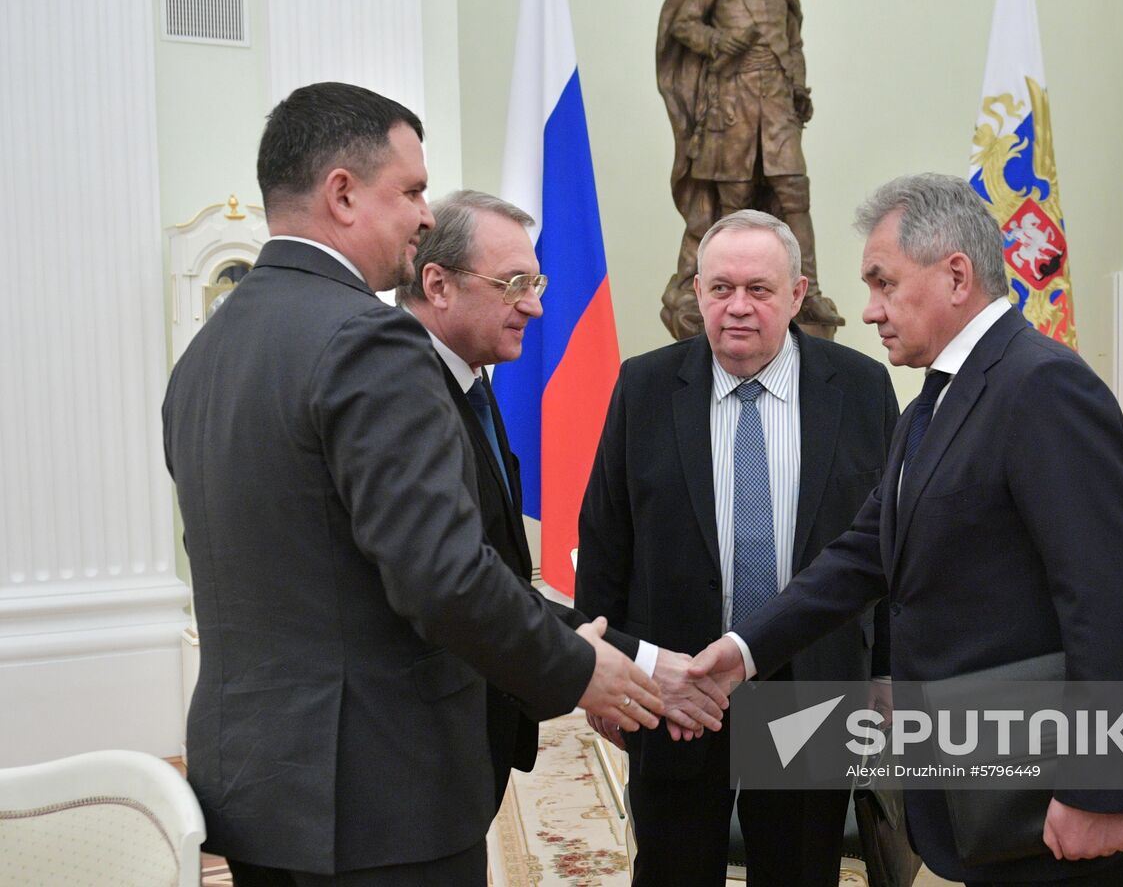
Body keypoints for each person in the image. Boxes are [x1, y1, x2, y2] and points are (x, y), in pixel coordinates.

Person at [162, 82, 662, 887]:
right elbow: (443, 576)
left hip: (253, 790)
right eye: (414, 190)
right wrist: (576, 668)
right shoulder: (370, 339)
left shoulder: (206, 354)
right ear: (343, 194)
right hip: (379, 797)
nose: (427, 216)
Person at [692, 174, 1123, 886]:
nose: (869, 310)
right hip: (979, 778)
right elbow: (862, 555)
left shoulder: (1042, 387)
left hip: (1052, 792)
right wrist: (742, 650)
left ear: (955, 275)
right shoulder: (929, 407)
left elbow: (1106, 598)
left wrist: (1095, 786)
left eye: (883, 283)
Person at [577, 210, 898, 886]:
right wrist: (602, 673)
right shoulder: (644, 386)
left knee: (800, 871)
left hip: (810, 685)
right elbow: (605, 540)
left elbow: (891, 547)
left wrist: (888, 670)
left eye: (759, 289)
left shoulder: (862, 390)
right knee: (673, 870)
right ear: (697, 294)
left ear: (797, 295)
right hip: (679, 685)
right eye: (721, 288)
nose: (739, 307)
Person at [396, 189, 727, 808]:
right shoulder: (408, 394)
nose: (536, 306)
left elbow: (497, 568)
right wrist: (631, 666)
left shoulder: (472, 381)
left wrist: (632, 662)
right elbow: (464, 582)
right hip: (416, 744)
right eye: (514, 282)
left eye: (538, 281)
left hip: (465, 730)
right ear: (437, 284)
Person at [656, 0, 843, 340]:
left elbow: (793, 44)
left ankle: (808, 289)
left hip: (777, 102)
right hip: (732, 101)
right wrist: (721, 42)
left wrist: (798, 88)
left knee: (794, 193)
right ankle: (720, 289)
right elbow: (682, 25)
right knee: (733, 203)